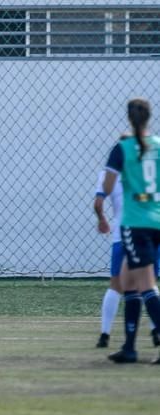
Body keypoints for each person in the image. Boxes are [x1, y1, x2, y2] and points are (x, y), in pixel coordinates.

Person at [104, 99, 160, 363]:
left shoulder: (122, 148)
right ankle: (129, 347)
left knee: (146, 284)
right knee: (127, 281)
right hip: (156, 220)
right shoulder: (158, 146)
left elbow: (107, 186)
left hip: (135, 223)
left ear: (129, 118)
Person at [94, 165, 159, 348]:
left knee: (117, 285)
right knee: (149, 283)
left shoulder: (108, 174)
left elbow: (98, 203)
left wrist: (102, 220)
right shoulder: (148, 169)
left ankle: (105, 335)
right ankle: (155, 332)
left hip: (123, 234)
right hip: (150, 232)